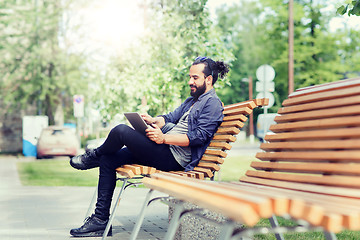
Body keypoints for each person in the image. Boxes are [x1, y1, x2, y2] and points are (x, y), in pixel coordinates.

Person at [69, 56, 229, 237]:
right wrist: (154, 121)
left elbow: (199, 137)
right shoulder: (192, 101)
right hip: (164, 149)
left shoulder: (212, 104)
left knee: (121, 130)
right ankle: (99, 221)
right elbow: (170, 117)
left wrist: (163, 139)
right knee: (108, 159)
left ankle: (93, 156)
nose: (190, 81)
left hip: (173, 158)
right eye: (190, 77)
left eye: (195, 78)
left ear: (208, 79)